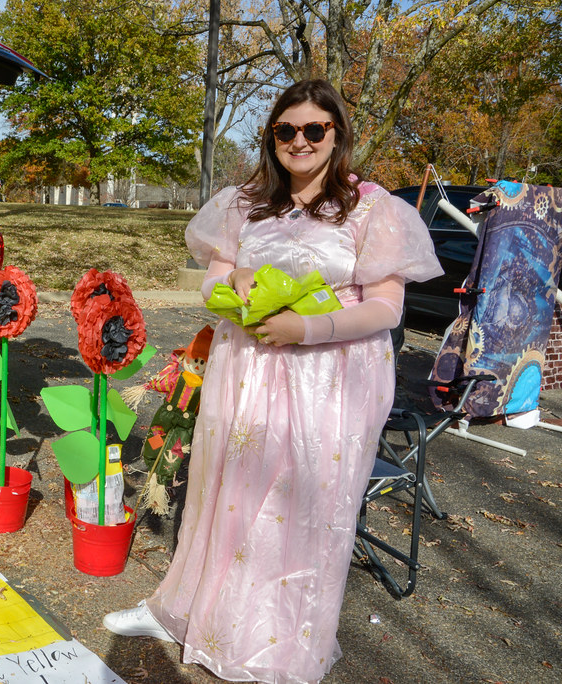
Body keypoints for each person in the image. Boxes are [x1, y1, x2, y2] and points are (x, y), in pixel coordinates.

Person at [102, 79, 444, 683]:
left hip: (329, 376)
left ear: (336, 134)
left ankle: (272, 646)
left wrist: (305, 330)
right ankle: (185, 614)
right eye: (286, 129)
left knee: (301, 506)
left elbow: (387, 309)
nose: (299, 140)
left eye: (314, 128)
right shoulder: (245, 202)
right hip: (246, 367)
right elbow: (212, 281)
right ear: (272, 136)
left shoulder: (371, 208)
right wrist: (230, 282)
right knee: (224, 491)